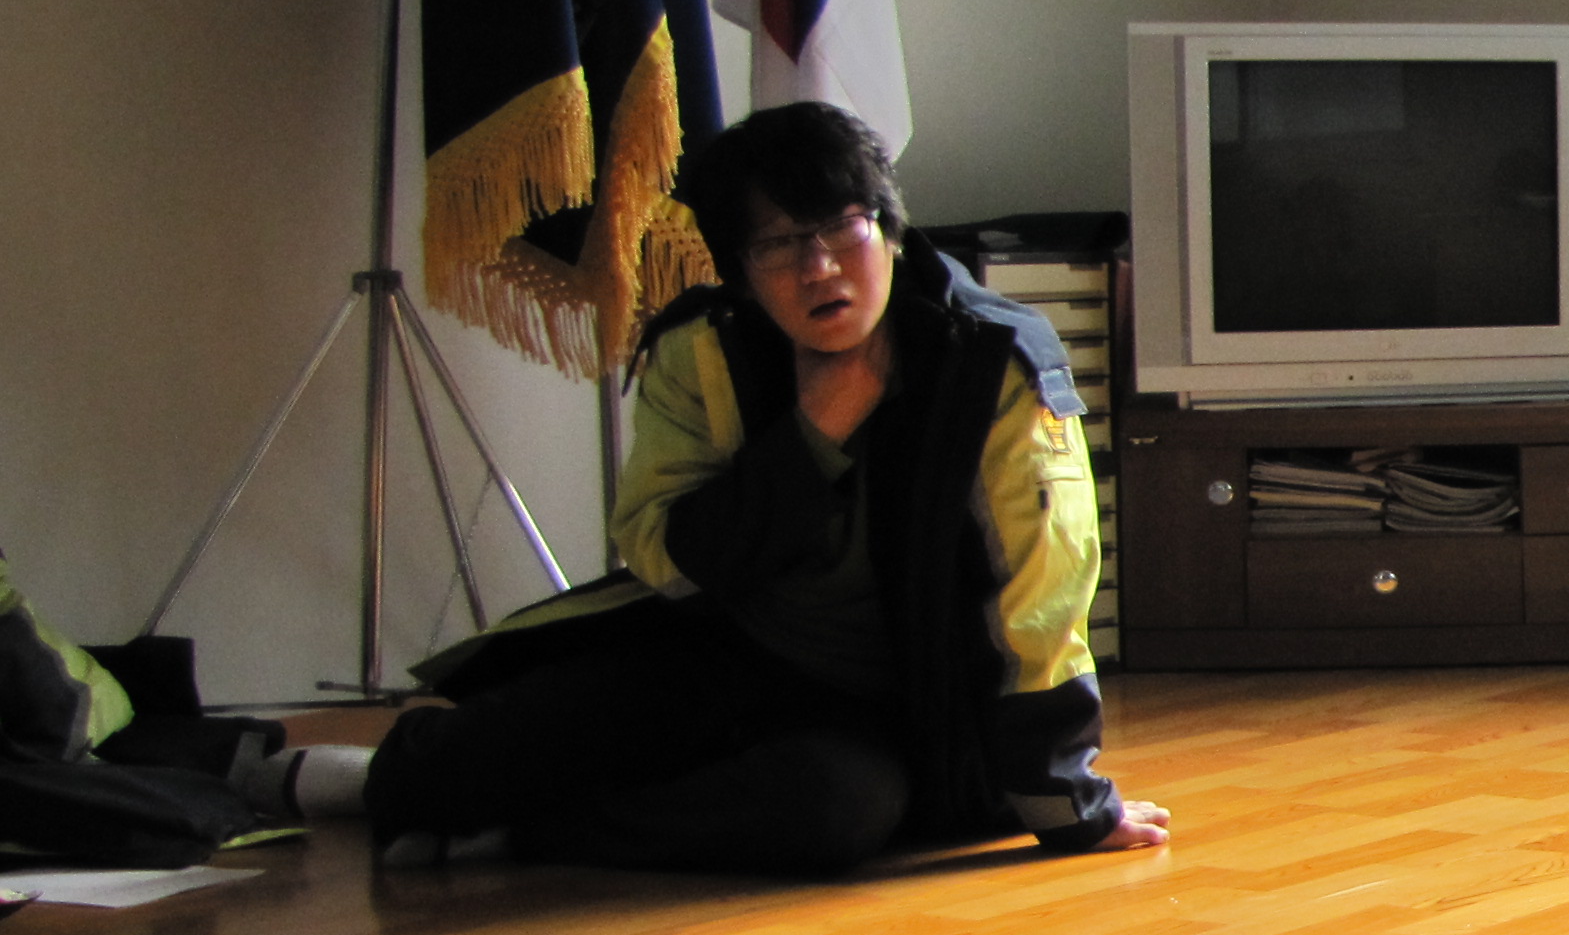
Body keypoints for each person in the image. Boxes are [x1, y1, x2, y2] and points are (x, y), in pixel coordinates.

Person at [334, 102, 1168, 876]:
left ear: (888, 229)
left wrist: (1071, 808)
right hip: (734, 653)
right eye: (778, 246)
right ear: (741, 270)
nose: (818, 268)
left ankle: (528, 835)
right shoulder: (704, 347)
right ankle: (325, 776)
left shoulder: (994, 362)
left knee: (835, 810)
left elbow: (1039, 603)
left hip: (917, 702)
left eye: (842, 229)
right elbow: (663, 555)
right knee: (469, 760)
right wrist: (810, 440)